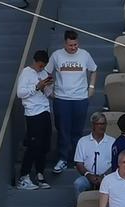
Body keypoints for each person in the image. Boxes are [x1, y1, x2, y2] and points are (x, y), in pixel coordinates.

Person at [46, 30, 97, 174]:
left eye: (75, 45)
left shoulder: (85, 55)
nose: (73, 47)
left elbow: (94, 70)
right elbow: (46, 73)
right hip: (62, 99)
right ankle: (62, 158)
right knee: (63, 130)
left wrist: (91, 87)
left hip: (80, 98)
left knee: (77, 131)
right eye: (70, 45)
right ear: (65, 43)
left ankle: (77, 160)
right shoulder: (57, 55)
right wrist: (49, 91)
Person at [16, 49, 53, 190]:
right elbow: (20, 93)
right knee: (34, 145)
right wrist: (36, 87)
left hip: (45, 111)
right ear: (35, 62)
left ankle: (40, 174)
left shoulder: (44, 73)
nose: (41, 68)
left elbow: (48, 94)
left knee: (44, 145)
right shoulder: (26, 72)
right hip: (32, 113)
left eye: (43, 66)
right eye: (40, 65)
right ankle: (23, 176)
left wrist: (48, 85)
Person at [73, 112, 115, 198]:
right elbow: (79, 163)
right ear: (93, 125)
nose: (102, 126)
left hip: (107, 177)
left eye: (104, 123)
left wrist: (104, 176)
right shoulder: (83, 141)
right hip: (88, 176)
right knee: (78, 184)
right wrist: (88, 175)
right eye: (99, 124)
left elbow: (115, 163)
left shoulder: (112, 141)